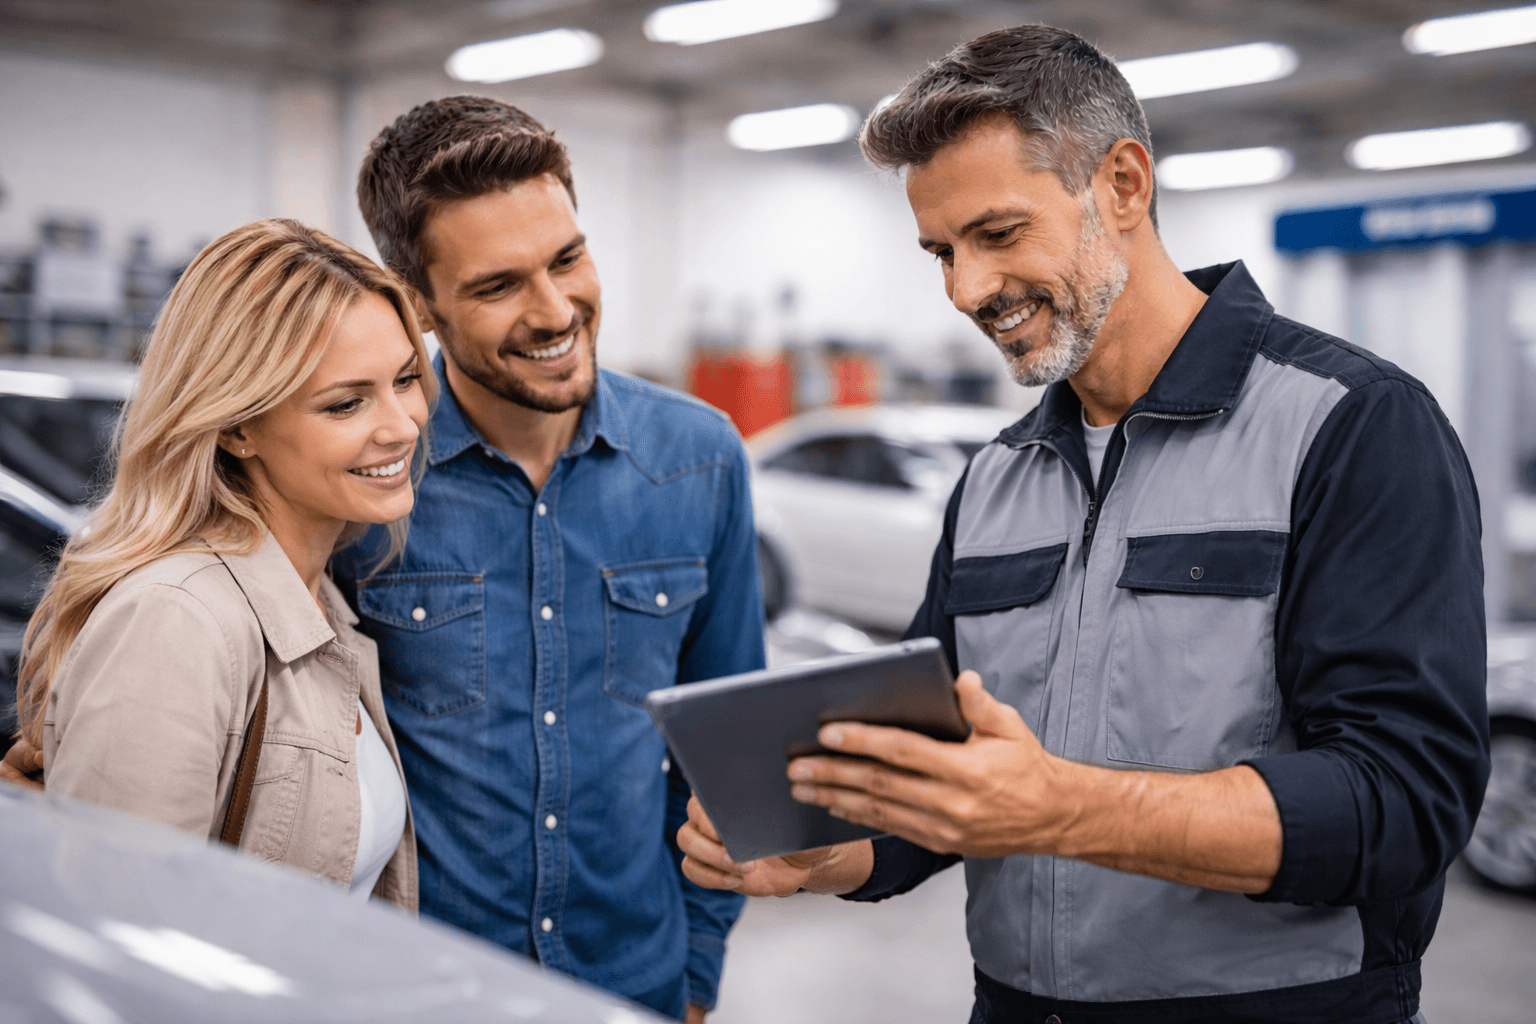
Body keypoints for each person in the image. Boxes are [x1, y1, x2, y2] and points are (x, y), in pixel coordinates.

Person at [679, 24, 1486, 1024]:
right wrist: (827, 852)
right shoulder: (993, 480)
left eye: (999, 234)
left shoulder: (1351, 425)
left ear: (1123, 185)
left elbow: (1406, 801)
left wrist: (1063, 804)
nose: (966, 290)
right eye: (941, 251)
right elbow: (942, 783)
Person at [328, 97, 762, 1022]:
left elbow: (727, 758)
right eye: (497, 286)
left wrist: (694, 977)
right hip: (417, 994)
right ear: (419, 307)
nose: (556, 310)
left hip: (634, 986)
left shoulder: (700, 458)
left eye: (567, 259)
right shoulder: (362, 479)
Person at [12, 219, 433, 910]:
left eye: (406, 379)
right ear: (237, 425)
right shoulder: (176, 620)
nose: (402, 425)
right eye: (346, 402)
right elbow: (118, 939)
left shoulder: (315, 599)